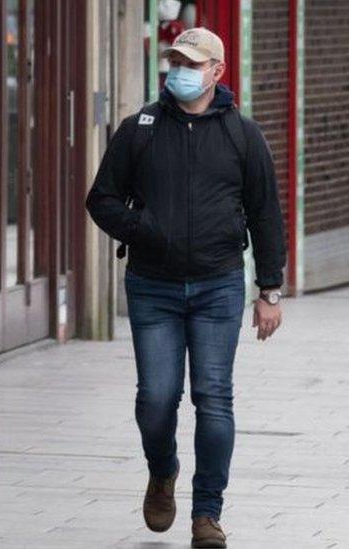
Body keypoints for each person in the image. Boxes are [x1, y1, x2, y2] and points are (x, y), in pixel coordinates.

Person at [85, 27, 287, 549]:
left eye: (192, 62)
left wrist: (270, 290)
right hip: (152, 286)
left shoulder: (243, 136)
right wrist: (143, 228)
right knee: (156, 398)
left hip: (219, 286)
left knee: (213, 397)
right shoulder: (140, 130)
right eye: (176, 59)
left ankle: (206, 515)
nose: (181, 69)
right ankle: (162, 469)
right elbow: (101, 199)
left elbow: (267, 215)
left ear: (217, 71)